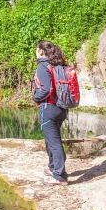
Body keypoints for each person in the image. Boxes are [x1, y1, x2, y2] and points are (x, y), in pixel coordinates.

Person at [33, 40, 69, 185]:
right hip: (61, 108)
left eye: (37, 49)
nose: (35, 51)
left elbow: (46, 89)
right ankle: (53, 167)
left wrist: (35, 97)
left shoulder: (43, 66)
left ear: (41, 51)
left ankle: (60, 175)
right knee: (51, 140)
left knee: (54, 143)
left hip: (48, 108)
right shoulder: (58, 64)